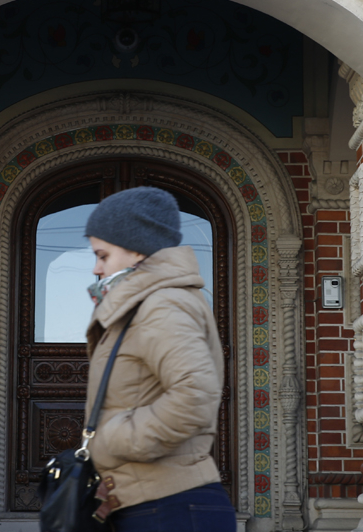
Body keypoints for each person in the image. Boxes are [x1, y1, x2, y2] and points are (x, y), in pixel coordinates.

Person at [82, 186, 236, 532]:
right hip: (154, 506)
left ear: (136, 249)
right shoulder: (147, 303)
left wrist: (110, 439)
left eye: (103, 255)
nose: (96, 268)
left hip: (170, 508)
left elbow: (195, 395)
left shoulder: (162, 303)